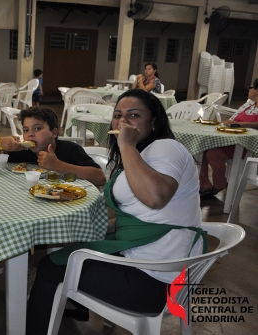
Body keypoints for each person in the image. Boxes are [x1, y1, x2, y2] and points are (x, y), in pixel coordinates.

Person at [25, 89, 205, 334]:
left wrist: (126, 145)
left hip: (154, 280)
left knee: (48, 268)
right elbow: (134, 214)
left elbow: (155, 197)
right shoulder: (144, 153)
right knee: (75, 248)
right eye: (118, 115)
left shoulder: (167, 148)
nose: (122, 121)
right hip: (147, 261)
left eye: (134, 115)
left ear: (153, 121)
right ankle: (68, 306)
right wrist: (90, 228)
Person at [0, 107, 106, 187]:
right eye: (25, 130)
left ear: (54, 133)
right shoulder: (24, 150)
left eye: (37, 128)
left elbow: (100, 178)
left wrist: (58, 165)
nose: (30, 134)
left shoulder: (69, 149)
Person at [199, 78, 258, 197]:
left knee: (213, 153)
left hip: (247, 145)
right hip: (231, 139)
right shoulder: (248, 104)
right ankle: (204, 184)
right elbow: (233, 119)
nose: (249, 90)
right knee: (202, 147)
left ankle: (219, 184)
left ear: (257, 91)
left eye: (250, 87)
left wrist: (242, 124)